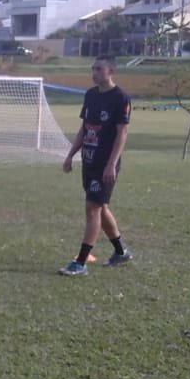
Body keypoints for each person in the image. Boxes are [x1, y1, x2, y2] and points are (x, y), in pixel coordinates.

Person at [59, 55, 132, 276]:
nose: (94, 73)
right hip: (89, 162)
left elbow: (122, 134)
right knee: (101, 207)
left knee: (92, 209)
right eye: (93, 69)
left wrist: (111, 165)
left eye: (99, 69)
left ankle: (80, 263)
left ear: (111, 72)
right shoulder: (90, 95)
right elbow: (85, 128)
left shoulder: (121, 98)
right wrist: (71, 154)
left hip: (105, 165)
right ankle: (121, 252)